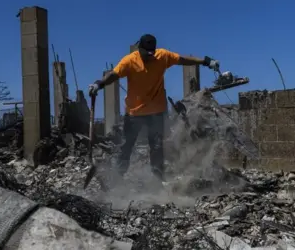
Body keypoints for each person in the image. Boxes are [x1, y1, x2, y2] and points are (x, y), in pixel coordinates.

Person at [88, 34, 219, 182]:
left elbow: (183, 60)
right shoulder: (129, 61)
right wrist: (99, 84)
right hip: (134, 113)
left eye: (151, 53)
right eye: (146, 54)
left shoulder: (161, 56)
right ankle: (118, 178)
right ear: (140, 49)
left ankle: (159, 179)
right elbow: (114, 75)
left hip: (156, 112)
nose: (149, 57)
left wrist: (205, 61)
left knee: (156, 147)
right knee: (126, 146)